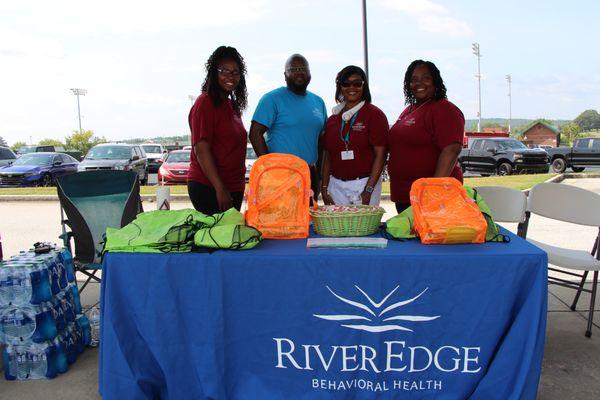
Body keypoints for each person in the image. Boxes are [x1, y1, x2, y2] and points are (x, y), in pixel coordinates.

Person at [388, 60, 465, 213]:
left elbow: (451, 150)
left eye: (425, 78)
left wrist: (432, 192)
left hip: (432, 199)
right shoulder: (409, 110)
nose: (419, 83)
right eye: (414, 80)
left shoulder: (443, 109)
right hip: (405, 196)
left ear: (435, 81)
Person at [249, 54, 327, 200]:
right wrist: (270, 168)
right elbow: (255, 133)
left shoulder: (318, 102)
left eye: (303, 68)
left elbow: (322, 140)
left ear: (310, 74)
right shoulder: (272, 99)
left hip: (309, 175)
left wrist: (320, 174)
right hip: (281, 175)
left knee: (306, 221)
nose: (299, 72)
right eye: (294, 69)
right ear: (285, 75)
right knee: (282, 221)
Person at [187, 46, 248, 215]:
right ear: (214, 73)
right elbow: (201, 149)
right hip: (210, 187)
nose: (230, 76)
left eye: (235, 72)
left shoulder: (232, 106)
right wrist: (220, 188)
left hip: (233, 186)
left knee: (228, 238)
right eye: (224, 71)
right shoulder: (204, 102)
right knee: (218, 238)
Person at [320, 65, 388, 206]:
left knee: (364, 228)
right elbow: (327, 156)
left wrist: (368, 190)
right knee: (338, 228)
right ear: (340, 87)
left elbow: (381, 155)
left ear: (364, 86)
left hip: (364, 184)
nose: (352, 87)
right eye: (346, 83)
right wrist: (325, 188)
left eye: (357, 83)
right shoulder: (333, 119)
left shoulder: (375, 115)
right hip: (336, 185)